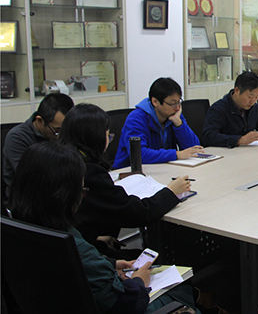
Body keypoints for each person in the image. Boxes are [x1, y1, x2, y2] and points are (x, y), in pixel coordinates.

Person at [7, 142, 200, 314]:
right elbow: (126, 304)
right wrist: (139, 282)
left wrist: (110, 263)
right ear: (64, 196)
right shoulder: (74, 245)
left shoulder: (19, 227)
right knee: (179, 288)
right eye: (82, 192)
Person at [58, 103, 192, 258]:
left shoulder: (59, 160)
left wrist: (91, 237)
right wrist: (170, 192)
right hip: (78, 256)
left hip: (67, 244)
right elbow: (135, 214)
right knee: (152, 257)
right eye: (108, 136)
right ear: (95, 138)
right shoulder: (88, 172)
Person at [113, 77, 203, 169]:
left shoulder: (174, 115)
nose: (177, 107)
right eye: (172, 103)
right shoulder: (136, 118)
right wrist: (176, 155)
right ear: (155, 102)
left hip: (163, 168)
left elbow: (195, 148)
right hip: (130, 171)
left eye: (178, 102)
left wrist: (179, 124)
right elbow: (139, 154)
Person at [2, 93, 74, 204]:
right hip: (26, 201)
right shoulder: (17, 137)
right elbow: (33, 178)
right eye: (57, 130)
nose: (60, 136)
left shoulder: (62, 133)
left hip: (59, 195)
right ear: (40, 121)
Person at [202, 71, 258, 148]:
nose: (253, 101)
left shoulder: (253, 107)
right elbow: (208, 136)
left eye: (257, 97)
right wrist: (239, 140)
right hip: (225, 155)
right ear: (237, 90)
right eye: (250, 97)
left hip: (245, 152)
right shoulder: (218, 109)